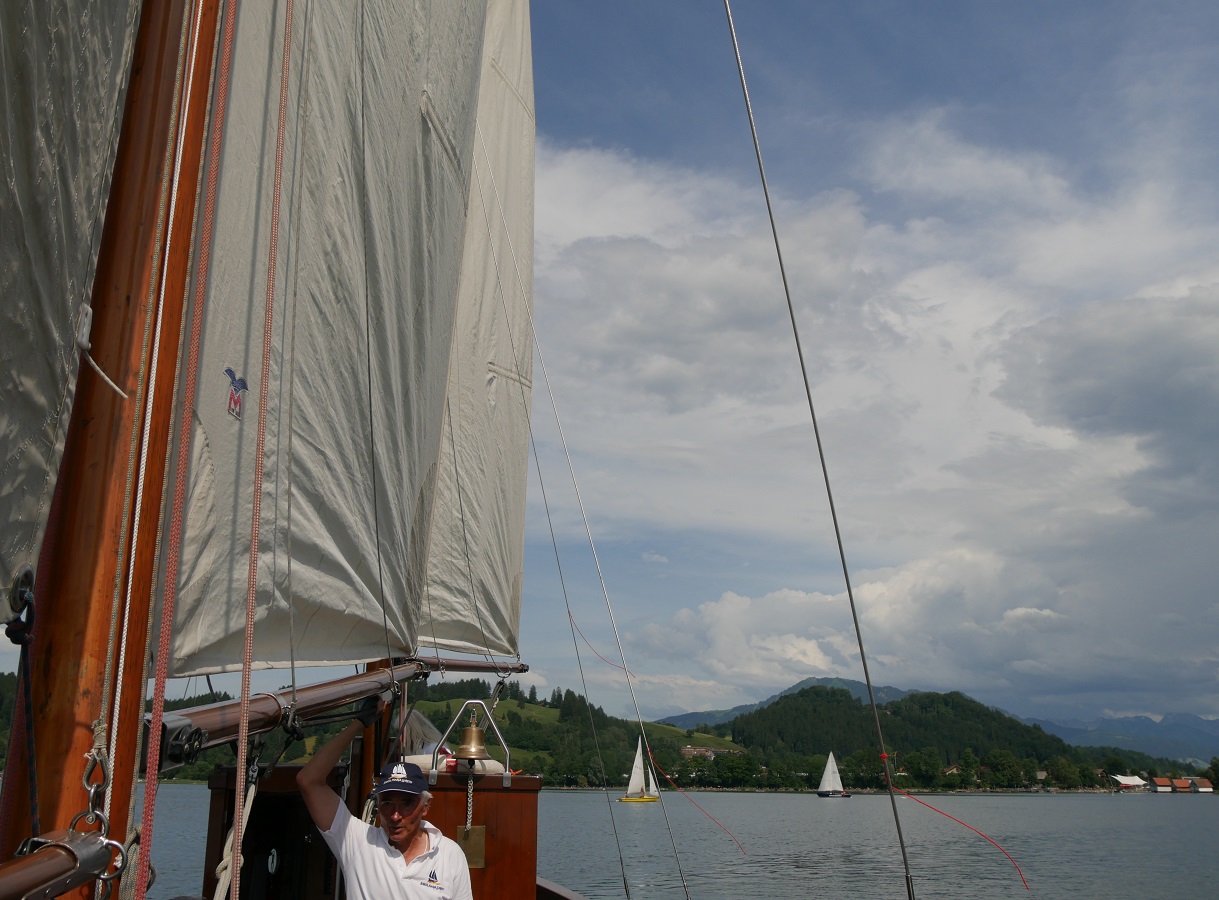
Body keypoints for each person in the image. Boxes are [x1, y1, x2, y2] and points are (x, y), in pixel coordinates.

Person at [298, 704, 474, 900]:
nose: (395, 815)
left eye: (407, 803)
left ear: (425, 807)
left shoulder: (449, 855)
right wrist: (359, 724)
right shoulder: (358, 843)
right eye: (387, 803)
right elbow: (309, 780)